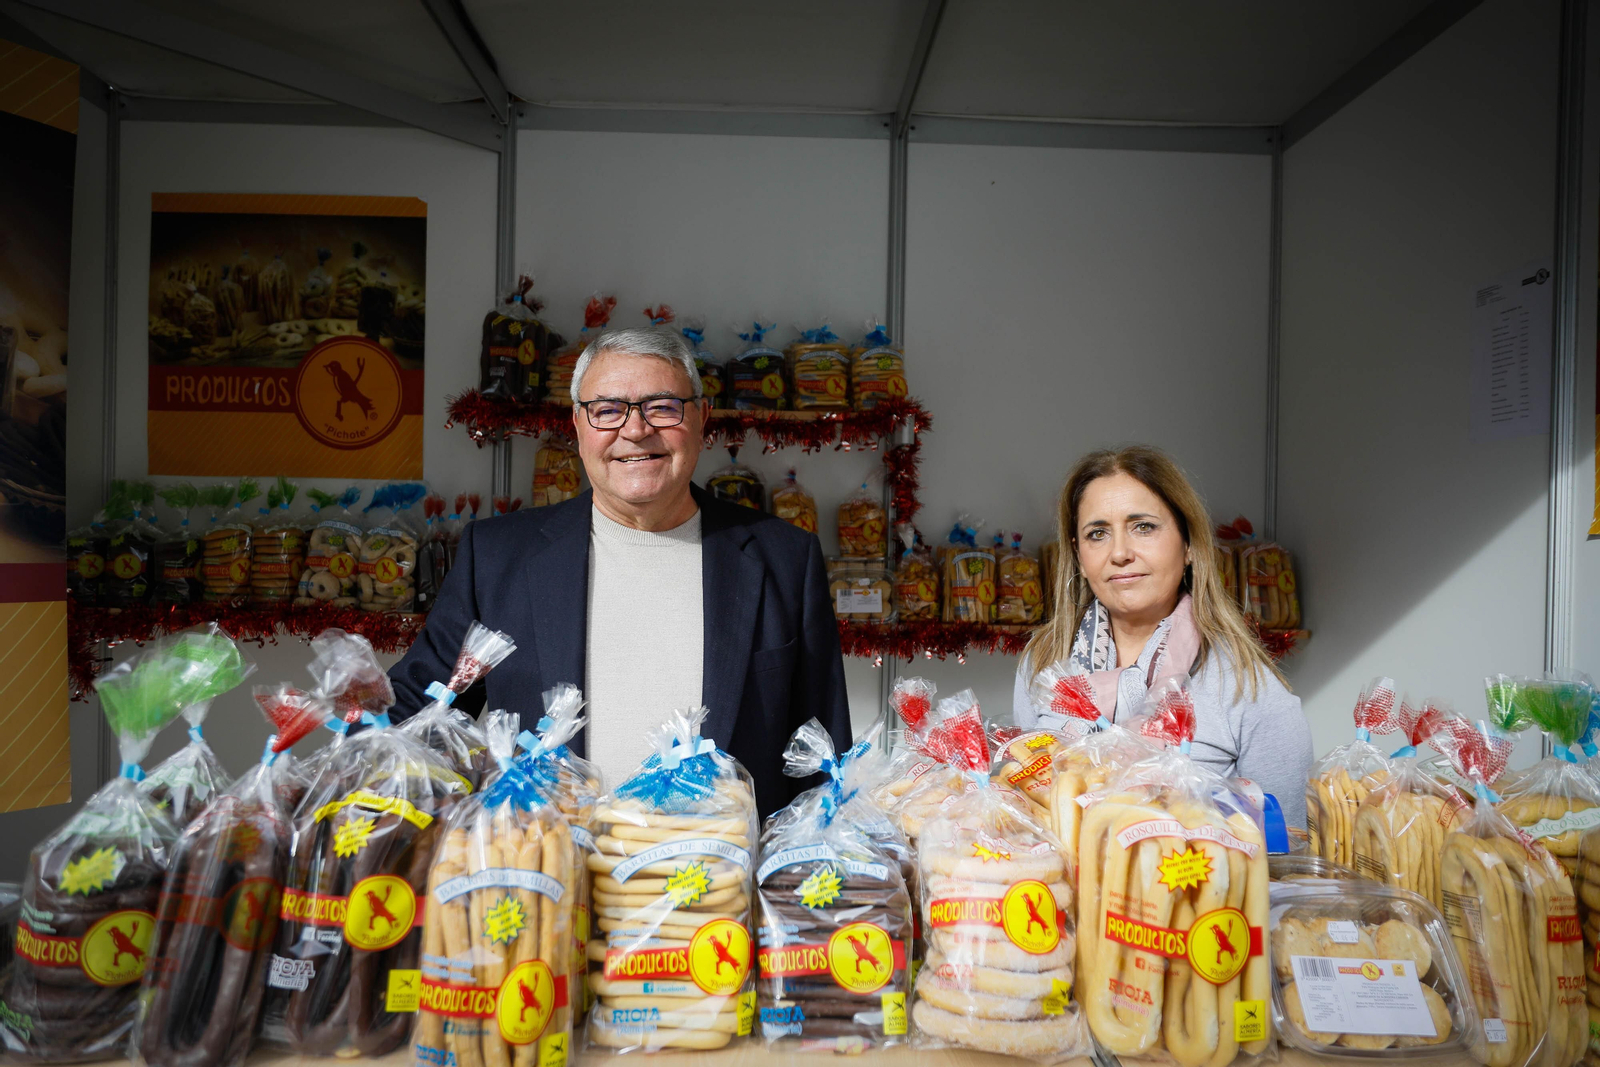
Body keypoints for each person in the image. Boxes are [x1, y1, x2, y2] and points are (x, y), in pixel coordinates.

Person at [389, 325, 852, 815]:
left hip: (719, 883)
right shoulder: (500, 555)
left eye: (662, 407)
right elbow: (421, 709)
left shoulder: (784, 560)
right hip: (549, 876)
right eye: (607, 410)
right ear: (577, 425)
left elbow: (822, 762)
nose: (635, 430)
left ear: (702, 419)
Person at [1011, 445, 1314, 826]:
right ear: (1079, 556)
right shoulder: (1043, 663)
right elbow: (1023, 809)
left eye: (1144, 527)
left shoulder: (1249, 690)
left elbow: (1281, 861)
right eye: (1097, 533)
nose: (1120, 552)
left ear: (1188, 545)